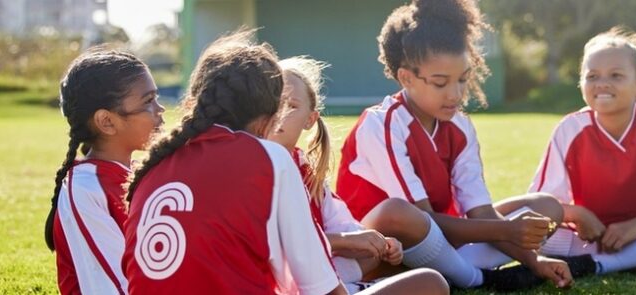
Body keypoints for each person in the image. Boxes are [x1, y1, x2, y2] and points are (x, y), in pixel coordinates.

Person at [335, 0, 573, 291]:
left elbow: (480, 212)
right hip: (382, 248)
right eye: (440, 83)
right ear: (406, 78)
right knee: (400, 213)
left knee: (547, 208)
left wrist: (535, 260)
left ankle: (454, 269)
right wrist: (508, 229)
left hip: (440, 241)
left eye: (462, 80)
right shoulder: (381, 124)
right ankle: (478, 278)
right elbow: (418, 219)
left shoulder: (460, 126)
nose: (456, 94)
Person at [121, 30, 344, 294]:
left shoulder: (154, 165)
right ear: (272, 118)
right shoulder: (269, 159)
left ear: (194, 103)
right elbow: (322, 288)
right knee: (405, 284)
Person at [528, 27, 636, 277]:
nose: (602, 83)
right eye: (592, 76)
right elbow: (540, 204)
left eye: (616, 75)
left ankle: (599, 265)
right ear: (581, 83)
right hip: (594, 236)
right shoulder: (570, 129)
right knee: (531, 226)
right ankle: (635, 259)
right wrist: (579, 215)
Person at [269, 55, 448, 294]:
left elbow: (339, 222)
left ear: (310, 120)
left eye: (291, 106)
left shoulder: (306, 169)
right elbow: (282, 245)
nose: (280, 114)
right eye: (274, 103)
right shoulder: (255, 169)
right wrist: (343, 241)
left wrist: (371, 240)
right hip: (287, 282)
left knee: (382, 257)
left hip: (322, 275)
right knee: (430, 283)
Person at [44, 48, 165, 294]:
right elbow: (114, 286)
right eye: (148, 101)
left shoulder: (140, 174)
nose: (160, 109)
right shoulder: (84, 188)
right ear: (107, 122)